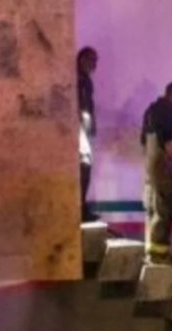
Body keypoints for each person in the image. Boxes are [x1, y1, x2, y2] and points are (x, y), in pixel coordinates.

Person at [141, 81, 172, 264]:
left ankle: (151, 251)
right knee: (166, 207)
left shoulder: (150, 110)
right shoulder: (168, 110)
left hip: (150, 168)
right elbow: (169, 141)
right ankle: (160, 254)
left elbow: (144, 142)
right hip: (163, 167)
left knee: (151, 208)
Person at [77, 47, 99, 222]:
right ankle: (80, 208)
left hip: (82, 128)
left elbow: (88, 106)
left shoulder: (85, 80)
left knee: (85, 166)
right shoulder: (78, 79)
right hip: (78, 128)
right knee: (84, 165)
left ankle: (82, 206)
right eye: (92, 60)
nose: (94, 65)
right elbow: (83, 106)